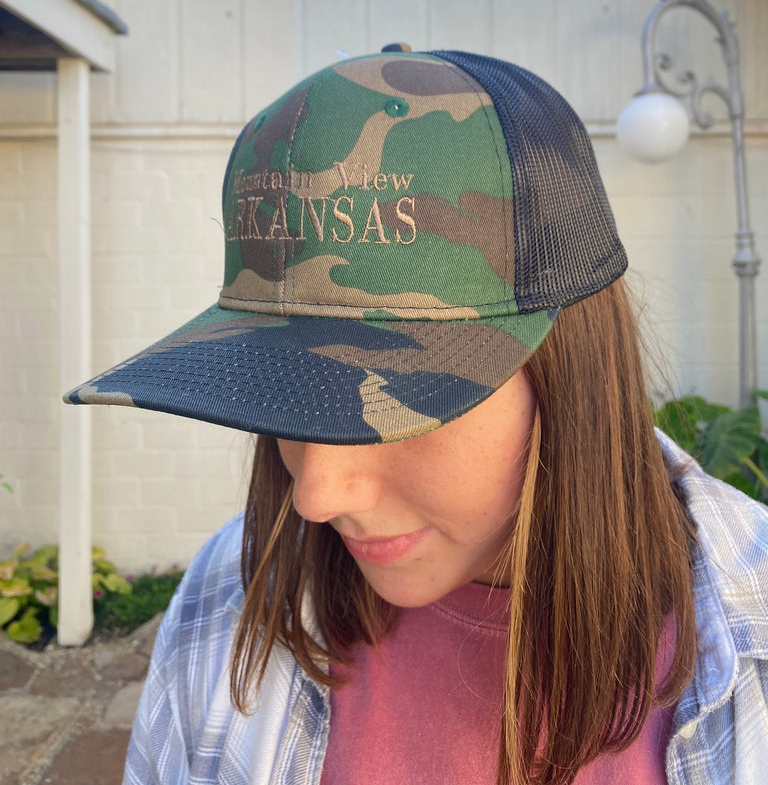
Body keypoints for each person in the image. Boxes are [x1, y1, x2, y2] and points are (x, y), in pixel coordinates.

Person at [66, 46, 768, 785]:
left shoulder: (748, 638)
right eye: (287, 397)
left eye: (404, 397)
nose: (315, 495)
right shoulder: (229, 596)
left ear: (569, 373)